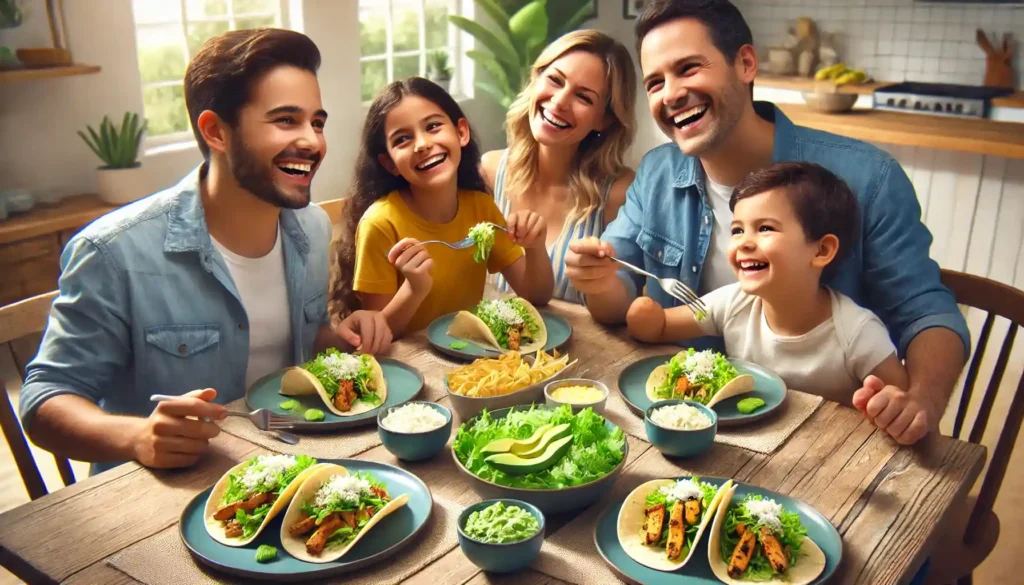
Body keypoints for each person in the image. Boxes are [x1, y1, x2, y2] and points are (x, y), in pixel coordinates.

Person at [564, 0, 968, 445]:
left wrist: (922, 400)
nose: (672, 94)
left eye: (689, 68)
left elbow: (926, 312)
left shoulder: (868, 179)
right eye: (655, 82)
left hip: (818, 437)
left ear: (745, 64)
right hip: (675, 422)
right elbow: (615, 293)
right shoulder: (658, 171)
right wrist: (598, 281)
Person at [19, 29, 392, 475]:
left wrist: (342, 337)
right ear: (216, 131)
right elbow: (45, 397)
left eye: (317, 122)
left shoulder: (310, 228)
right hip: (159, 494)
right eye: (286, 120)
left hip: (288, 460)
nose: (313, 141)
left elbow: (296, 343)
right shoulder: (112, 252)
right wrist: (136, 437)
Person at [627, 162, 909, 404]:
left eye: (765, 228)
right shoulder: (733, 302)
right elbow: (660, 326)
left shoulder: (857, 333)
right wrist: (642, 311)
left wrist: (891, 405)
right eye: (737, 230)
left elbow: (902, 400)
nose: (744, 242)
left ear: (821, 251)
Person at [330, 77, 554, 337]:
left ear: (461, 133)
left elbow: (536, 296)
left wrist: (535, 247)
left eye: (433, 126)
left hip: (472, 357)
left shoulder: (481, 208)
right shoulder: (380, 224)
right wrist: (413, 290)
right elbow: (377, 335)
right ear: (389, 163)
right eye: (402, 139)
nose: (422, 144)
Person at [481, 29, 637, 304]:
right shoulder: (490, 172)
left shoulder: (620, 194)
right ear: (535, 80)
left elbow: (621, 305)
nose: (560, 101)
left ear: (605, 120)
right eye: (555, 80)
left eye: (584, 97)